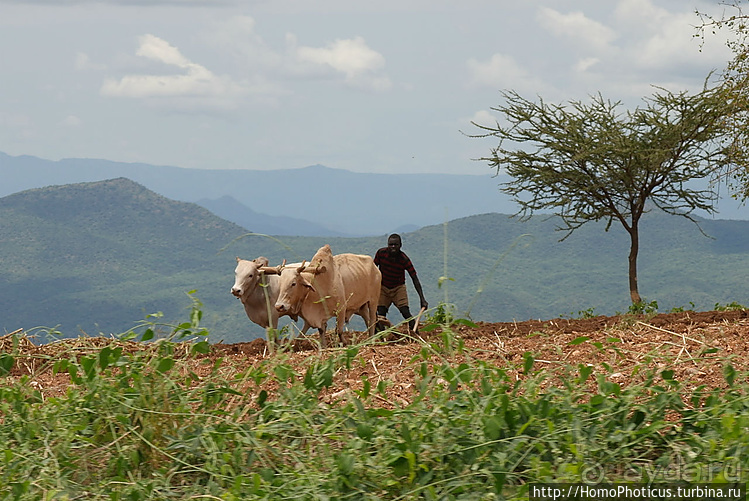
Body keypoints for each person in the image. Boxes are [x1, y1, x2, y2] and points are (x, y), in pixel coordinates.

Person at [373, 233, 428, 333]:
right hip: (383, 287)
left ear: (400, 245)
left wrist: (422, 299)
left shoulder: (404, 259)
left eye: (395, 244)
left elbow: (414, 278)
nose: (393, 247)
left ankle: (416, 335)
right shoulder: (381, 254)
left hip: (398, 288)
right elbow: (372, 270)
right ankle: (379, 337)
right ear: (387, 244)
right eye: (391, 244)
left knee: (405, 312)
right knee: (380, 314)